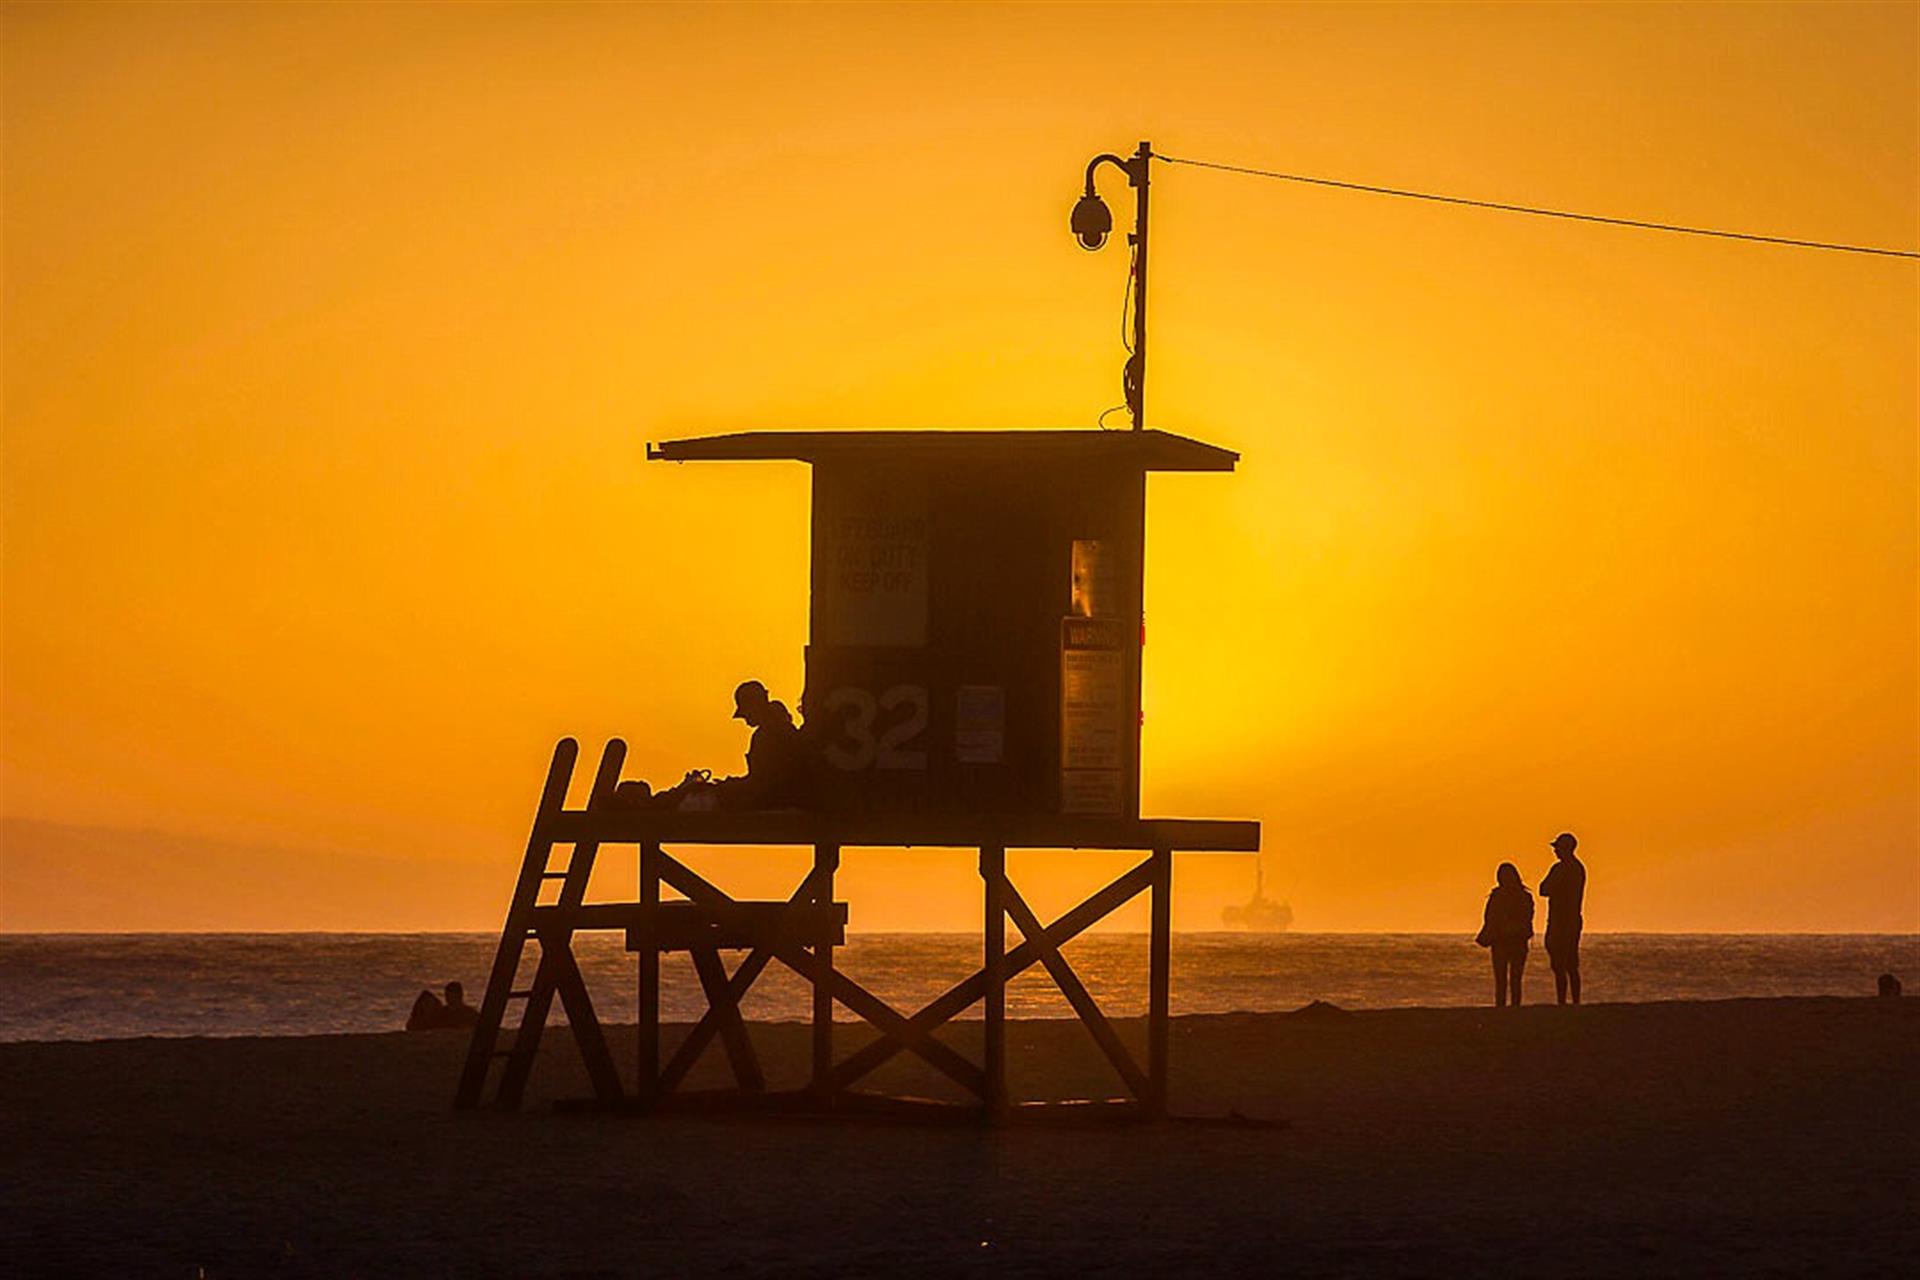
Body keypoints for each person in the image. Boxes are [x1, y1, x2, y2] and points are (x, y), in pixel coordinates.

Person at [1476, 862, 1535, 1007]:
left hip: (1502, 941)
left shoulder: (1497, 896)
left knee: (1502, 979)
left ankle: (1502, 1007)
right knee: (1514, 978)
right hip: (1515, 941)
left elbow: (1489, 918)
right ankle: (1514, 1007)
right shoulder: (1524, 896)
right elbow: (1528, 917)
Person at [1539, 832, 1586, 1005]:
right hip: (1571, 920)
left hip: (1561, 921)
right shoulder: (1578, 868)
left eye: (1557, 848)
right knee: (1570, 964)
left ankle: (1563, 1001)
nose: (1555, 851)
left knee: (1562, 964)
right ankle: (1574, 1001)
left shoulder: (1561, 869)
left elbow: (1543, 889)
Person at [405, 981, 479, 1031]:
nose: (449, 998)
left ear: (459, 995)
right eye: (447, 995)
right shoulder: (441, 1013)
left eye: (451, 995)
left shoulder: (468, 1013)